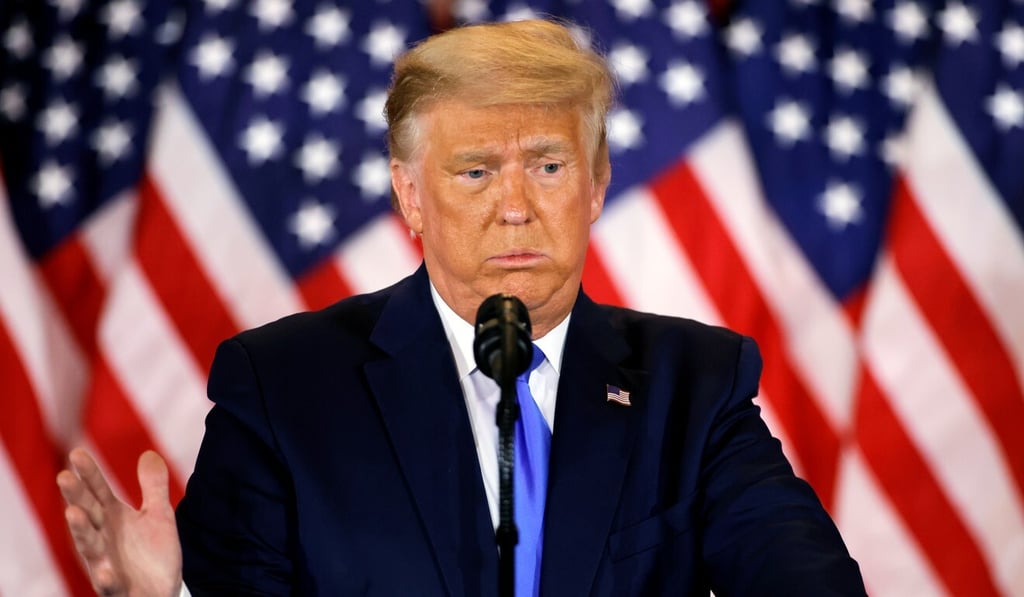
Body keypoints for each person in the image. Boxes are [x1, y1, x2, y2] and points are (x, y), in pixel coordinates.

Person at [57, 18, 866, 596]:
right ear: (409, 196)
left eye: (548, 166)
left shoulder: (695, 384)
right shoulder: (282, 387)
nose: (514, 207)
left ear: (597, 184)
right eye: (474, 172)